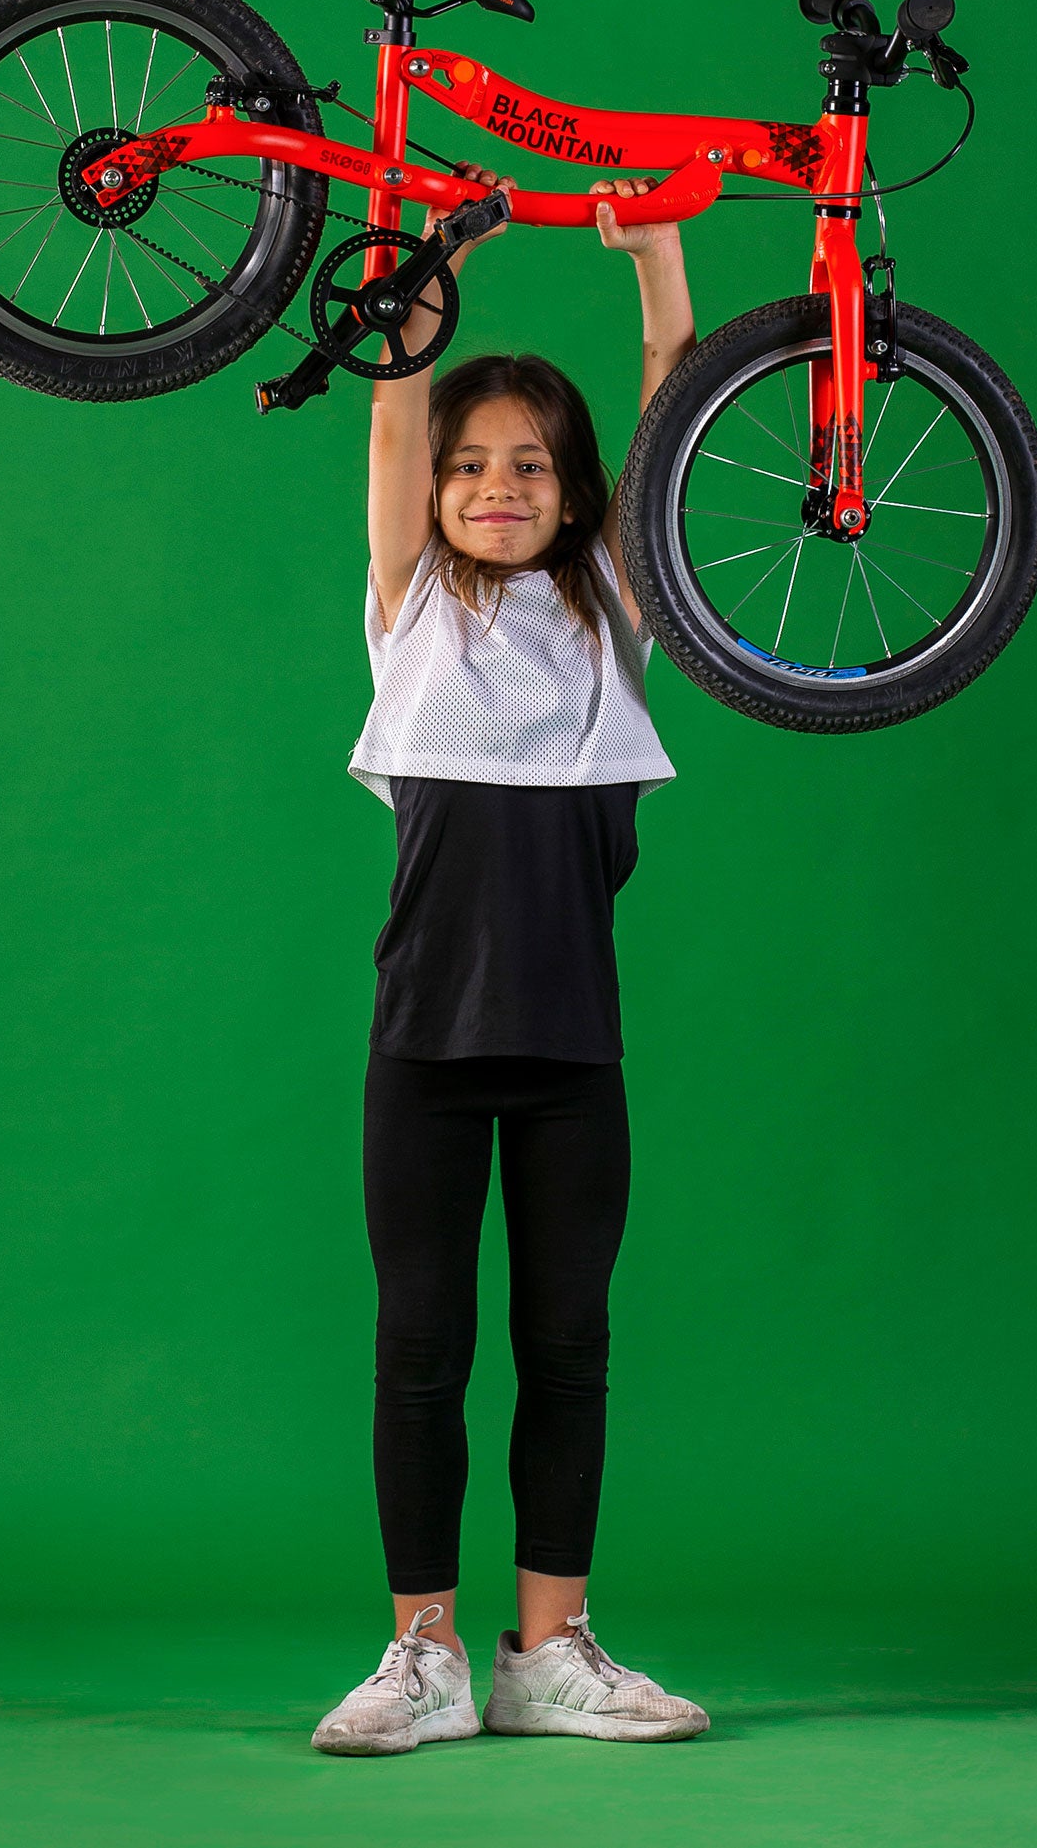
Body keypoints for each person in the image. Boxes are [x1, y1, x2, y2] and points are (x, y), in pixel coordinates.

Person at [311, 167, 709, 1757]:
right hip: (420, 1052)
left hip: (572, 1061)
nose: (492, 484)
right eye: (472, 466)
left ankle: (549, 1647)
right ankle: (423, 1653)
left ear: (572, 490)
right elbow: (391, 427)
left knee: (568, 1346)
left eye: (527, 465)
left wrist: (658, 265)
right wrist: (417, 291)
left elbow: (675, 406)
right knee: (423, 1348)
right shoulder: (410, 617)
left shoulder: (615, 610)